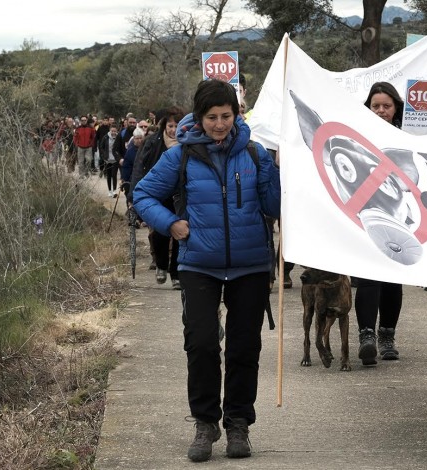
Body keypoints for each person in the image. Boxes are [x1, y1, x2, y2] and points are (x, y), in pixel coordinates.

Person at [133, 78, 280, 462]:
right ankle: (204, 423)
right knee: (200, 345)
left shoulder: (254, 153)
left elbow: (274, 205)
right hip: (199, 263)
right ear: (199, 118)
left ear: (237, 114)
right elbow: (143, 194)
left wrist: (276, 170)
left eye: (226, 116)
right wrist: (170, 224)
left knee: (244, 348)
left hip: (250, 264)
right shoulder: (179, 156)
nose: (219, 124)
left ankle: (238, 424)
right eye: (212, 117)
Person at [354, 82, 406, 366]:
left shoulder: (407, 140)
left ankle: (388, 336)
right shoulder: (355, 139)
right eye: (376, 106)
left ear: (395, 108)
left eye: (386, 106)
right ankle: (367, 336)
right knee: (367, 276)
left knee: (391, 279)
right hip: (363, 216)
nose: (381, 111)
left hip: (397, 218)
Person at [130, 106, 185, 287]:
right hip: (157, 196)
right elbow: (139, 166)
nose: (173, 129)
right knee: (160, 233)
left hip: (180, 196)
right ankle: (161, 264)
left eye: (177, 125)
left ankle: (176, 273)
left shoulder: (188, 144)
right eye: (170, 125)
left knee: (181, 235)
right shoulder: (152, 142)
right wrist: (133, 194)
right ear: (164, 126)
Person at [119, 127, 144, 196]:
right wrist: (124, 179)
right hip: (132, 180)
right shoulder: (130, 151)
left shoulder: (147, 149)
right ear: (133, 139)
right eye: (137, 138)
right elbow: (126, 167)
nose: (139, 140)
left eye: (140, 138)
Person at [98, 124, 121, 197]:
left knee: (114, 175)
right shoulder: (105, 137)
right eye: (112, 131)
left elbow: (121, 147)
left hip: (115, 159)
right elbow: (101, 147)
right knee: (108, 176)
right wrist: (103, 156)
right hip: (107, 159)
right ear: (110, 130)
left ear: (116, 131)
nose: (113, 132)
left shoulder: (118, 137)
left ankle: (114, 190)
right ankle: (109, 191)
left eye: (115, 131)